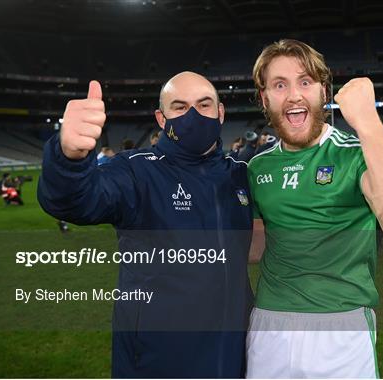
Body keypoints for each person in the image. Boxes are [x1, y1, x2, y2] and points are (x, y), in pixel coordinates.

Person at [37, 72, 253, 378]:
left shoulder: (240, 174)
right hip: (159, 358)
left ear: (220, 113)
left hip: (233, 356)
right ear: (161, 119)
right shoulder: (136, 171)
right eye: (179, 107)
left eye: (204, 105)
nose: (193, 115)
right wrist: (68, 157)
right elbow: (75, 201)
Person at [246, 39, 383, 378]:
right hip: (269, 321)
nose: (294, 94)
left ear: (323, 91)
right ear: (265, 98)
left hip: (341, 325)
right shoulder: (257, 167)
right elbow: (256, 246)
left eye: (305, 82)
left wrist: (367, 120)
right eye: (280, 84)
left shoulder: (355, 153)